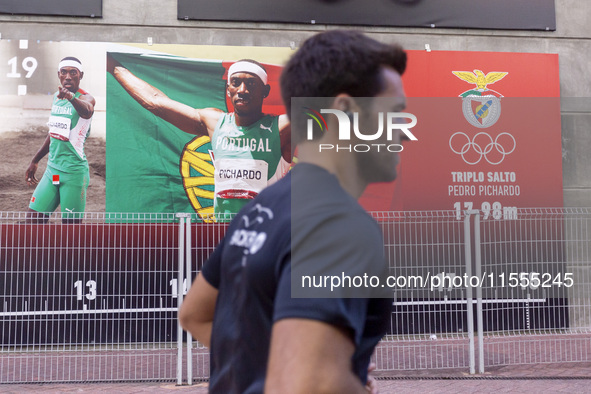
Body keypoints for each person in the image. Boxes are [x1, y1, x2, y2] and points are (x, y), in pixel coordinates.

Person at [179, 30, 409, 393]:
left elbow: (194, 314)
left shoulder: (260, 208)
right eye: (395, 114)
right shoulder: (337, 222)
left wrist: (289, 360)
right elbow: (309, 385)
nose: (404, 132)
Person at [107, 56, 291, 217]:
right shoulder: (215, 122)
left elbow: (319, 113)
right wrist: (113, 66)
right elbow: (155, 101)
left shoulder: (281, 127)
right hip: (223, 231)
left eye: (251, 84)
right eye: (235, 83)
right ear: (228, 90)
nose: (242, 90)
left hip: (268, 234)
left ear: (265, 91)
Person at [26, 57, 95, 224]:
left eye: (73, 72)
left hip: (74, 174)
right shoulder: (57, 97)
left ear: (81, 75)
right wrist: (35, 160)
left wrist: (71, 97)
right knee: (32, 221)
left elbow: (87, 112)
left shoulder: (86, 98)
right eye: (64, 72)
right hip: (52, 171)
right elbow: (54, 132)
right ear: (59, 74)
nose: (68, 76)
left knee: (70, 231)